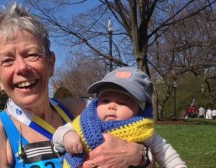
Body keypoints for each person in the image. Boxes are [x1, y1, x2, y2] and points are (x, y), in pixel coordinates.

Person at [0, 3, 152, 168]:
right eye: (8, 60)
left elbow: (149, 151)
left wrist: (139, 156)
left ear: (50, 63)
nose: (22, 68)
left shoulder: (81, 110)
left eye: (31, 54)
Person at [53, 67, 186, 168]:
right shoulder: (83, 123)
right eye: (105, 100)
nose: (112, 106)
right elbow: (58, 135)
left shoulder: (144, 132)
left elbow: (167, 154)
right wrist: (67, 135)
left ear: (139, 109)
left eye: (122, 102)